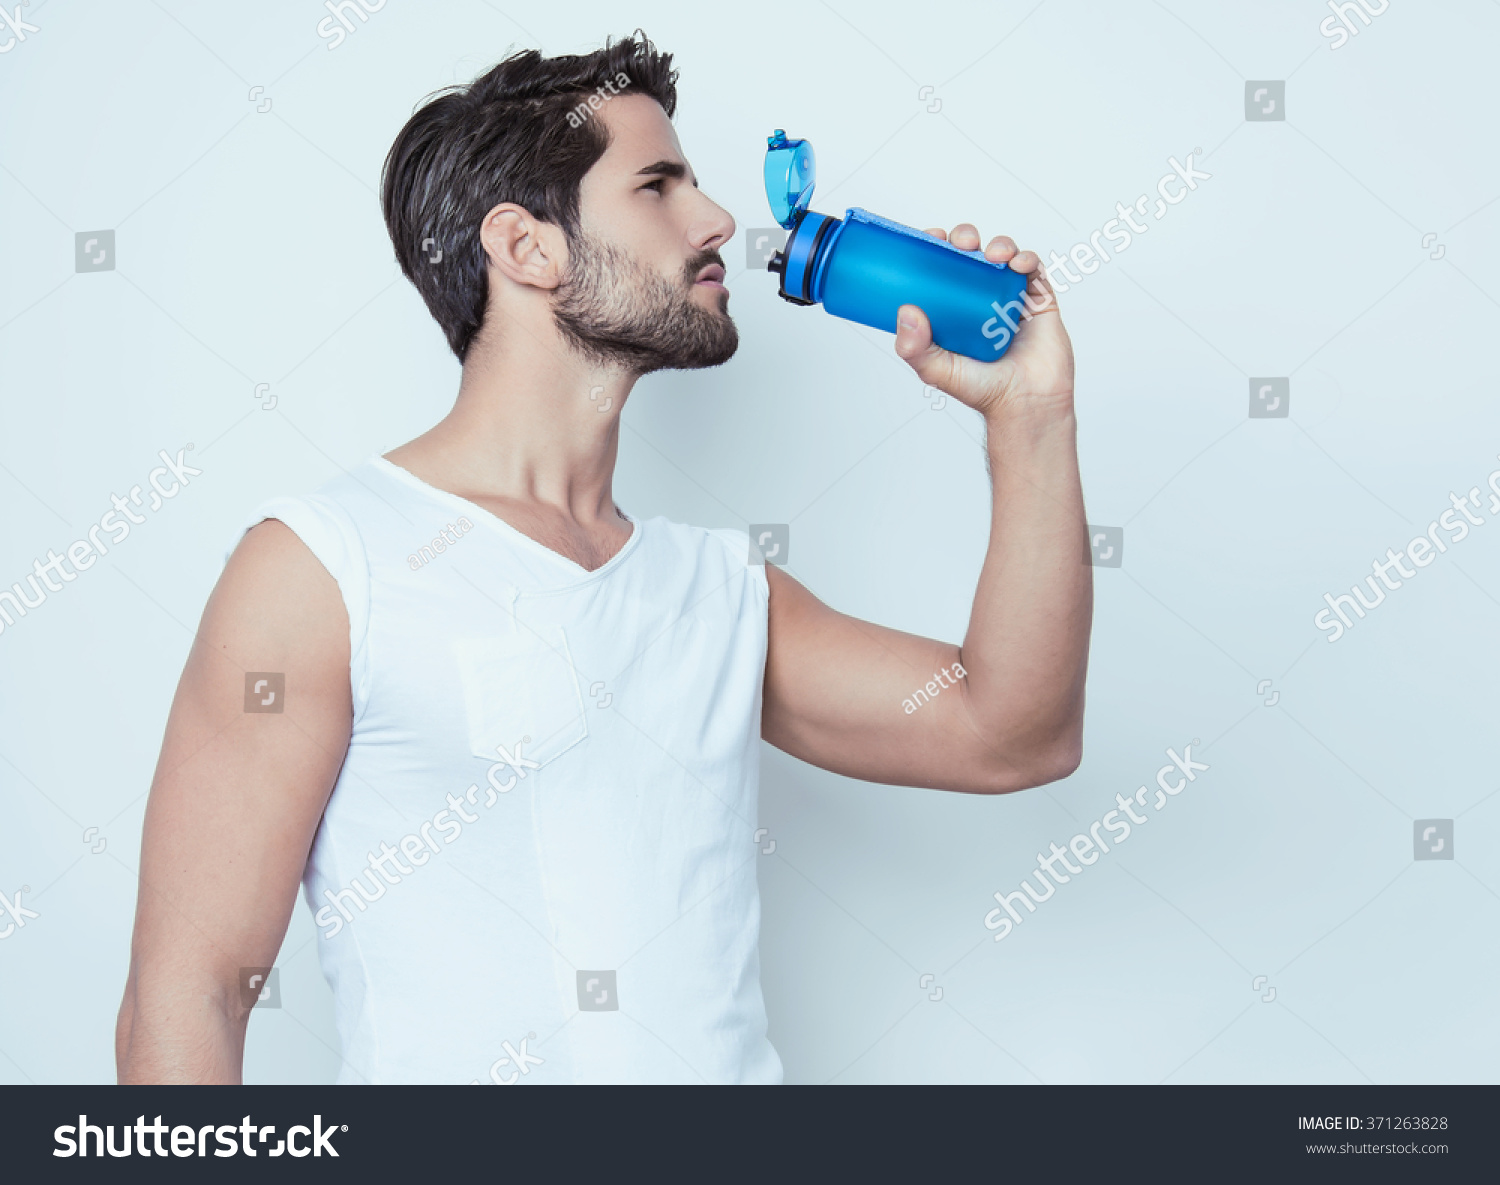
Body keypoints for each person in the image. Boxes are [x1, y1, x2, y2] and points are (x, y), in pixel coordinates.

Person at [116, 31, 1091, 1085]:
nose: (716, 220)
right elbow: (192, 993)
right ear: (526, 246)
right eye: (659, 185)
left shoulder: (720, 594)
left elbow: (1012, 736)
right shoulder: (322, 567)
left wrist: (1030, 418)